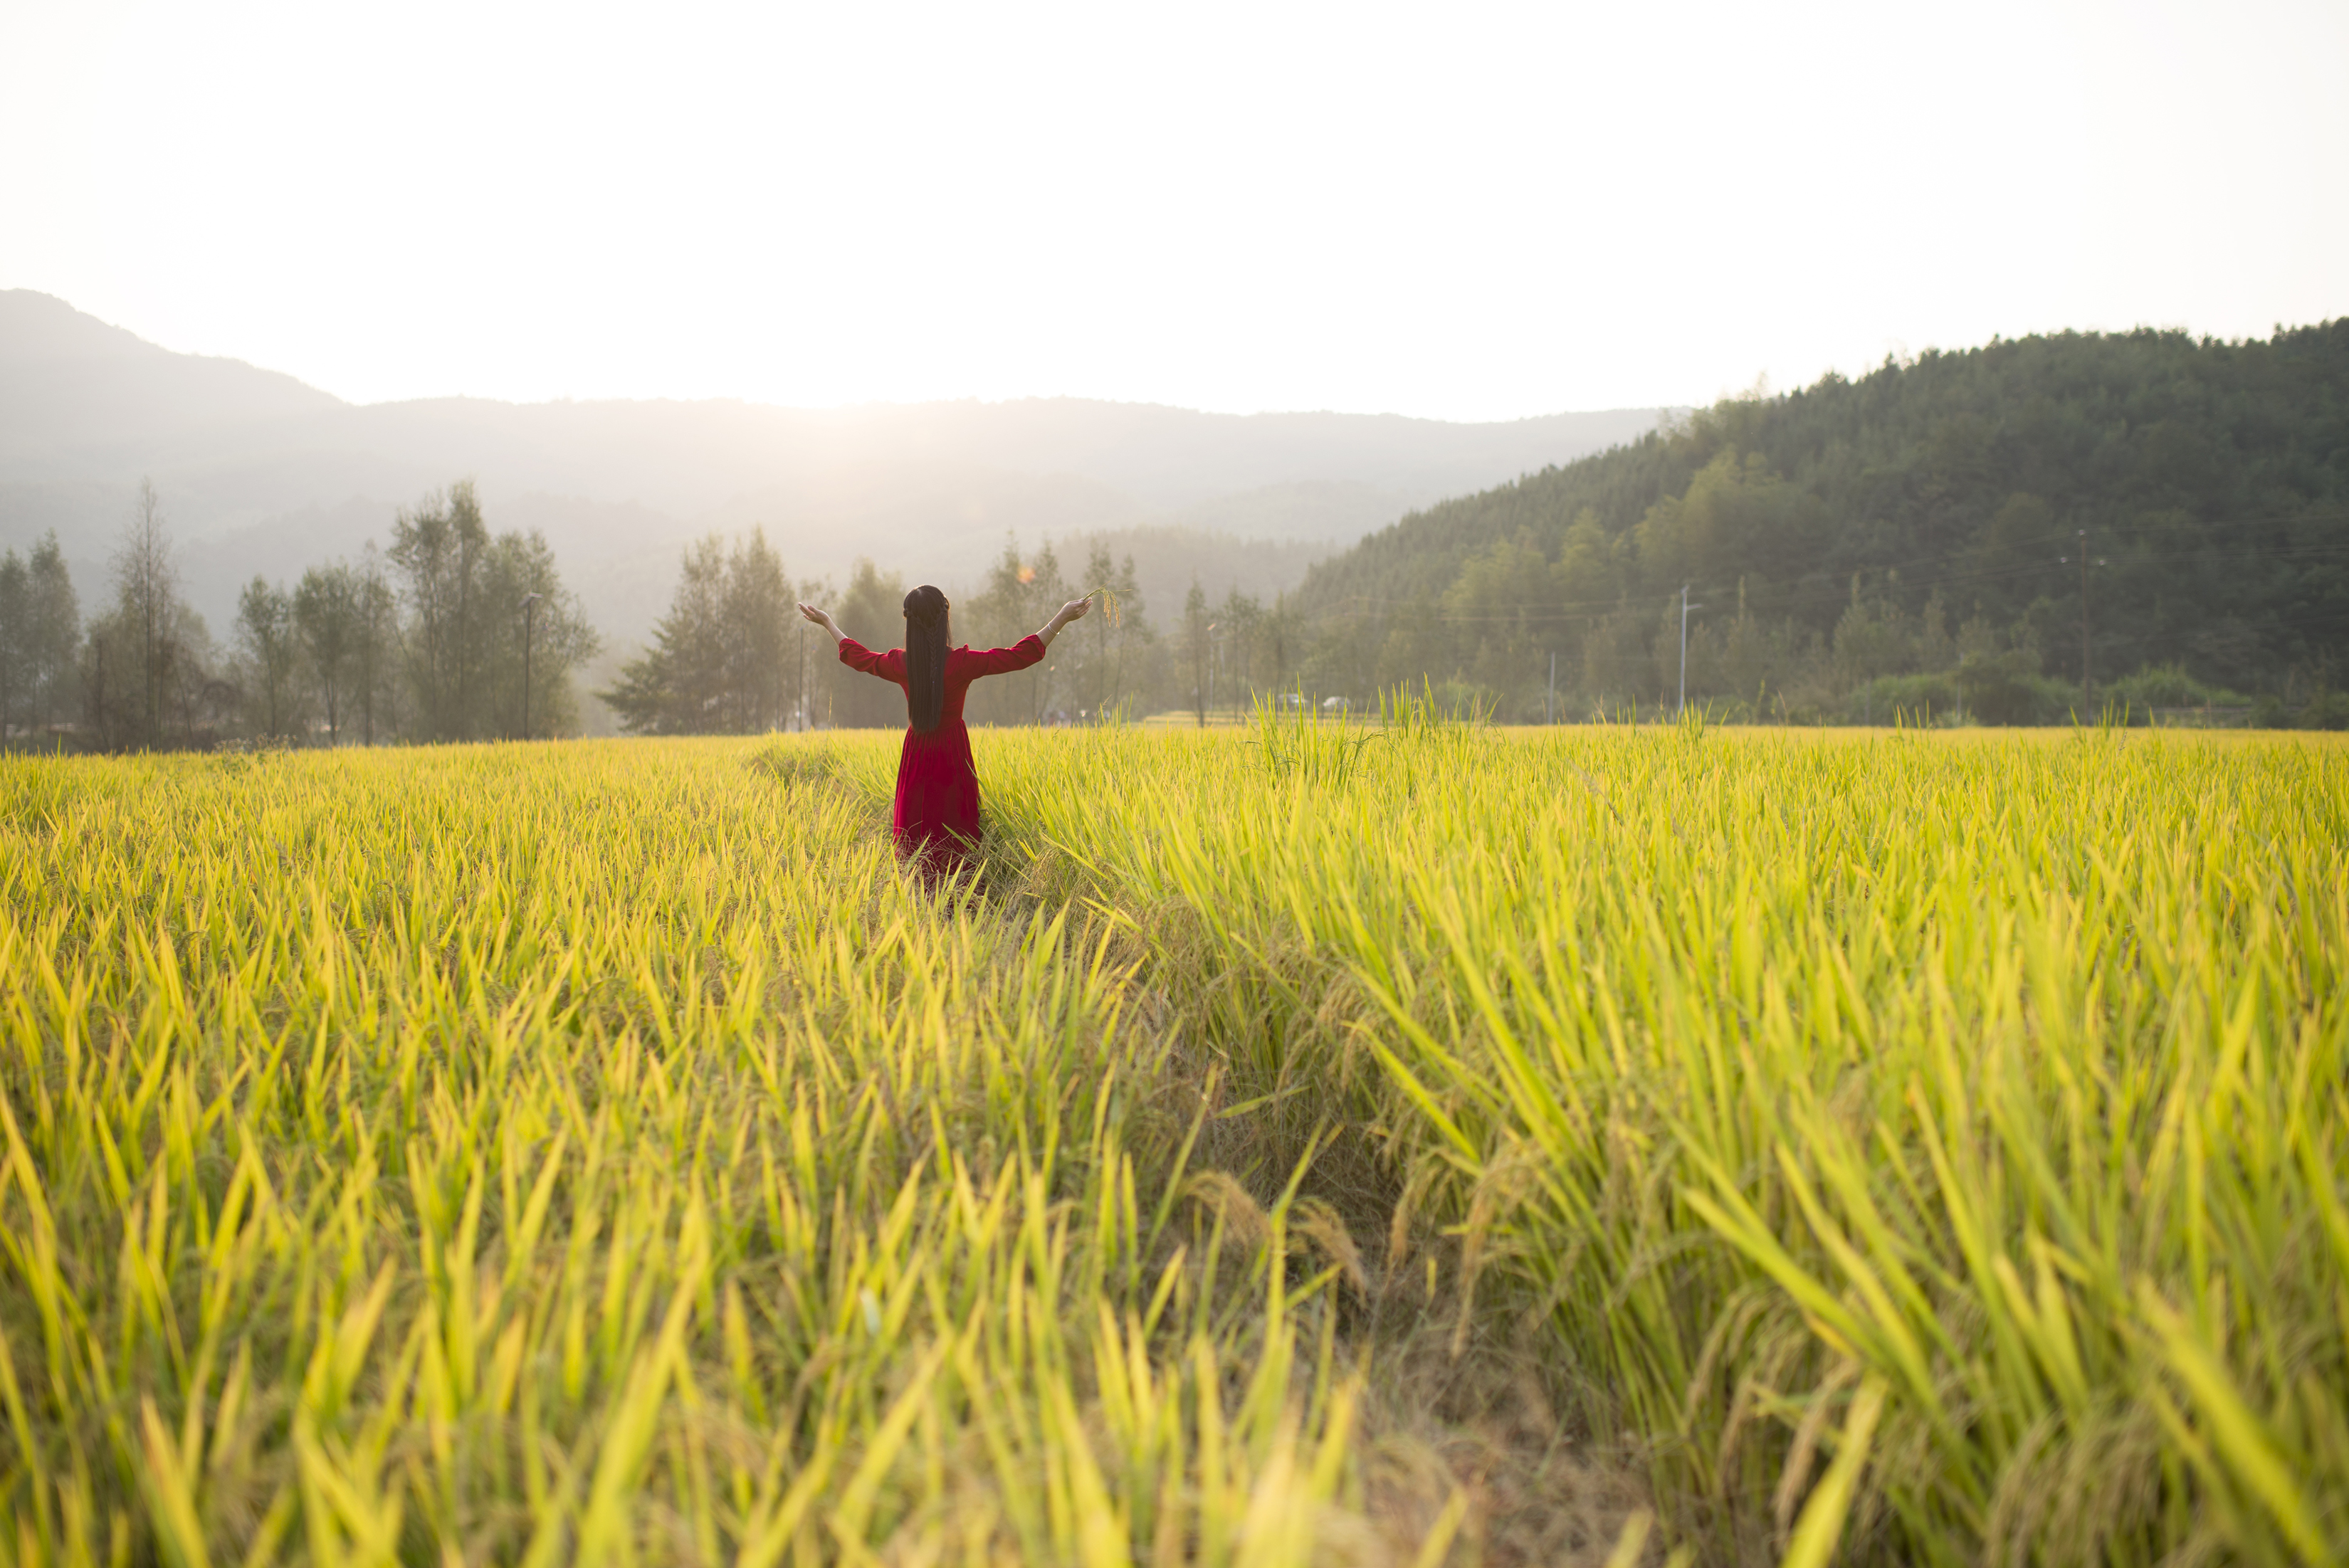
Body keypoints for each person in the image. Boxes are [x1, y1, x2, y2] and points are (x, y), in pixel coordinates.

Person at [799, 585, 1092, 881]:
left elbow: (860, 657)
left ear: (909, 623)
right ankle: (960, 899)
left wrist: (827, 623)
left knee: (917, 828)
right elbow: (1018, 656)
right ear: (945, 619)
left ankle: (916, 897)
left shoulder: (901, 663)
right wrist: (1061, 619)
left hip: (917, 753)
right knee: (956, 828)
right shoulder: (962, 663)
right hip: (953, 752)